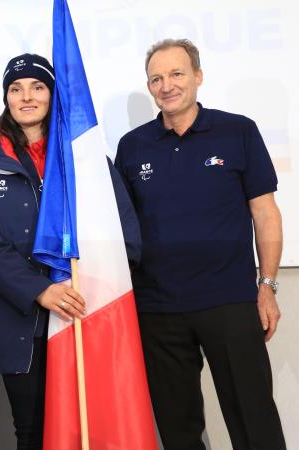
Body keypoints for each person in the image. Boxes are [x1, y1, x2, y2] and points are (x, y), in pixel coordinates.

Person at [0, 53, 141, 450]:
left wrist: (97, 288)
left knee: (95, 426)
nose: (26, 97)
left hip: (87, 310)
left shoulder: (85, 156)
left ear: (52, 94)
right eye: (16, 88)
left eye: (37, 87)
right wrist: (40, 290)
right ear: (5, 98)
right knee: (35, 431)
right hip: (19, 318)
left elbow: (122, 230)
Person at [114, 38, 285, 449]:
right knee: (179, 427)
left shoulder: (237, 131)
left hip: (229, 301)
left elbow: (266, 214)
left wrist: (268, 286)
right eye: (156, 78)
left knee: (253, 417)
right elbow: (122, 227)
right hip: (158, 309)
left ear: (198, 77)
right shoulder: (132, 146)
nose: (166, 85)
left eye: (176, 74)